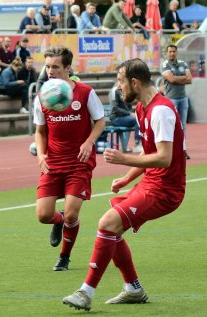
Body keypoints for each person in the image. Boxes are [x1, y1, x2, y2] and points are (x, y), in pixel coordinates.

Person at [62, 58, 186, 312]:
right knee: (112, 228)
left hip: (165, 190)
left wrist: (122, 159)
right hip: (151, 182)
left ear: (135, 82)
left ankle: (86, 292)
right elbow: (149, 152)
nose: (118, 87)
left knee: (107, 223)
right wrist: (128, 178)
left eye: (120, 81)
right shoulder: (142, 108)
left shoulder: (161, 110)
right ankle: (133, 288)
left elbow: (164, 157)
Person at [33, 46, 106, 272]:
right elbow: (40, 130)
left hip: (78, 162)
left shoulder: (85, 92)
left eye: (55, 66)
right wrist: (42, 154)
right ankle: (59, 219)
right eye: (47, 66)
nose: (50, 71)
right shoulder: (42, 97)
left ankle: (64, 257)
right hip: (53, 162)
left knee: (73, 213)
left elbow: (101, 121)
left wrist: (89, 142)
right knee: (43, 215)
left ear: (67, 68)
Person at [162, 45, 192, 159]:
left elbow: (190, 79)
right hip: (171, 99)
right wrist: (182, 78)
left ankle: (183, 150)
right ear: (167, 53)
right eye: (170, 52)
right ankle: (172, 151)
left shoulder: (183, 63)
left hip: (183, 98)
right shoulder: (165, 65)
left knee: (183, 126)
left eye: (174, 51)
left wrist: (176, 78)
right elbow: (171, 79)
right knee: (172, 125)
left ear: (176, 52)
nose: (172, 54)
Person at [110, 87, 142, 153]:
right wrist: (129, 113)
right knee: (136, 119)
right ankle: (137, 143)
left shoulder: (127, 91)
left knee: (139, 118)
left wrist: (132, 112)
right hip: (116, 118)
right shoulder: (115, 91)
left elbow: (129, 107)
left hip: (125, 117)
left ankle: (139, 143)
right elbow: (115, 108)